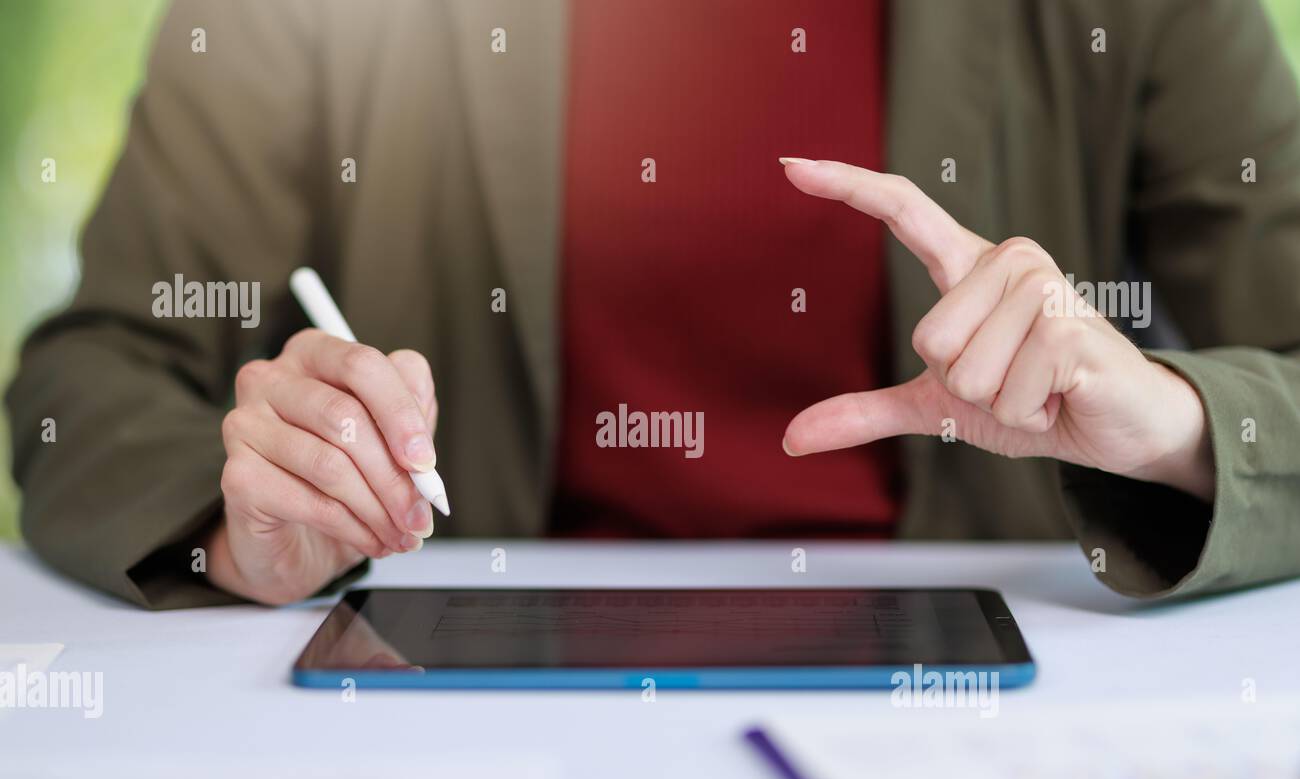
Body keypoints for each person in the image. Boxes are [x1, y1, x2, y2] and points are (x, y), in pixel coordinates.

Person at [7, 0, 1300, 608]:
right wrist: (237, 529)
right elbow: (95, 371)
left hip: (976, 716)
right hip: (462, 726)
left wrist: (1182, 420)